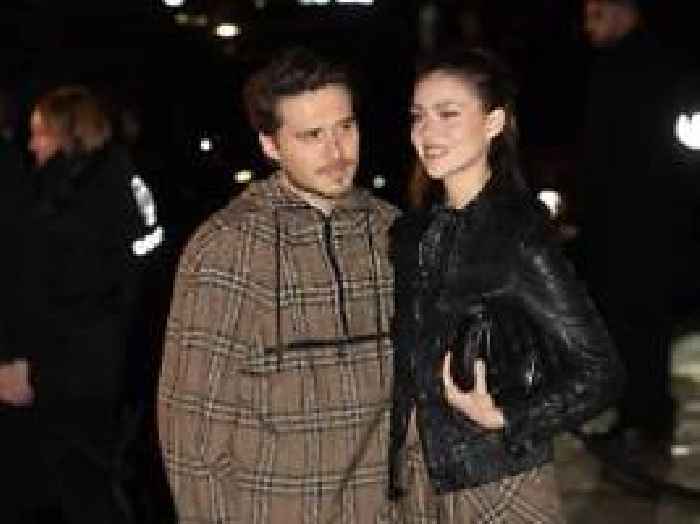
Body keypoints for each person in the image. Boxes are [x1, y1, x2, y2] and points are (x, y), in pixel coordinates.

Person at [157, 47, 399, 523]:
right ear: (271, 145)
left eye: (345, 127)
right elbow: (193, 434)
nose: (337, 152)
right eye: (312, 136)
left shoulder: (393, 233)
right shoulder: (228, 248)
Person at [388, 47, 623, 522]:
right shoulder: (412, 235)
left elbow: (600, 370)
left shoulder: (515, 236)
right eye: (418, 116)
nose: (427, 133)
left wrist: (509, 417)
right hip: (417, 485)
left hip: (498, 485)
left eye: (448, 114)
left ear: (493, 122)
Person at [10, 85, 145, 523]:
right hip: (106, 363)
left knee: (81, 487)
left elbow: (44, 286)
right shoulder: (117, 179)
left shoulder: (69, 195)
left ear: (68, 134)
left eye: (41, 133)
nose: (32, 145)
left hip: (75, 370)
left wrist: (23, 360)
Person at [577, 0, 694, 456]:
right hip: (621, 221)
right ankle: (637, 413)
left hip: (644, 222)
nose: (588, 26)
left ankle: (647, 413)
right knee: (625, 320)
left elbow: (662, 151)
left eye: (597, 15)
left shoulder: (653, 68)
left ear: (624, 12)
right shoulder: (612, 67)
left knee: (641, 320)